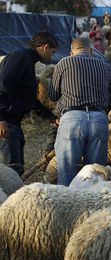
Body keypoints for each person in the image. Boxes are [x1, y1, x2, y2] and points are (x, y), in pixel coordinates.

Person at [48, 38, 111, 186]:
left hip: (72, 119)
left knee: (67, 173)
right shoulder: (104, 65)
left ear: (71, 52)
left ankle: (68, 205)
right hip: (99, 118)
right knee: (96, 174)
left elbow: (52, 95)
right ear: (91, 51)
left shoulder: (63, 63)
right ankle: (95, 207)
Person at [0, 32, 58, 176]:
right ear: (45, 47)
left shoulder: (27, 61)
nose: (52, 56)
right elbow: (2, 86)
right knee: (10, 172)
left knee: (16, 168)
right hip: (7, 123)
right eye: (52, 52)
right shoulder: (19, 57)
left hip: (14, 123)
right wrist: (1, 118)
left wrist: (52, 118)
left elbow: (29, 99)